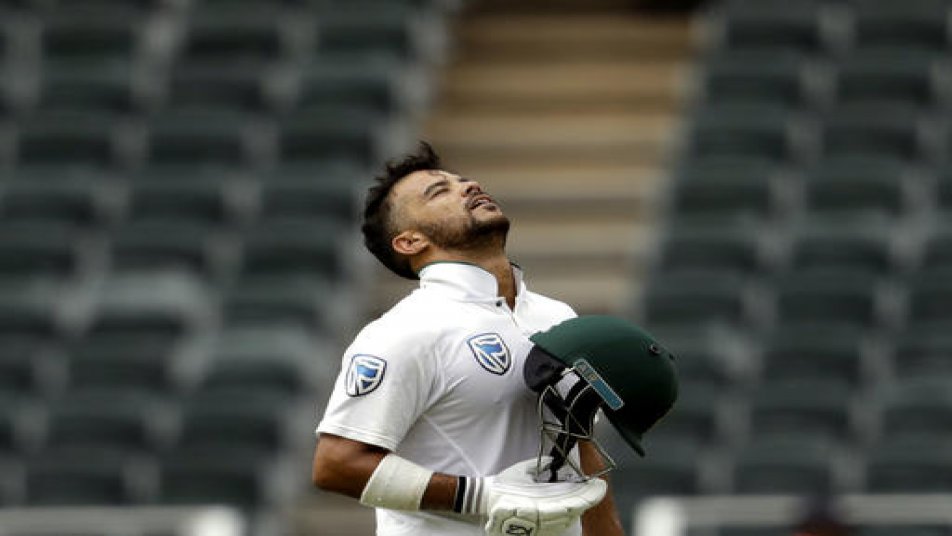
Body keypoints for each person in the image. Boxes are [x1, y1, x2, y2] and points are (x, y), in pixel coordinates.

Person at [311, 142, 627, 536]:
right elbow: (336, 464)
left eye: (463, 180)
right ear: (410, 242)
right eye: (438, 191)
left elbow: (580, 447)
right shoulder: (405, 331)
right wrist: (482, 496)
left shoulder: (557, 316)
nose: (469, 186)